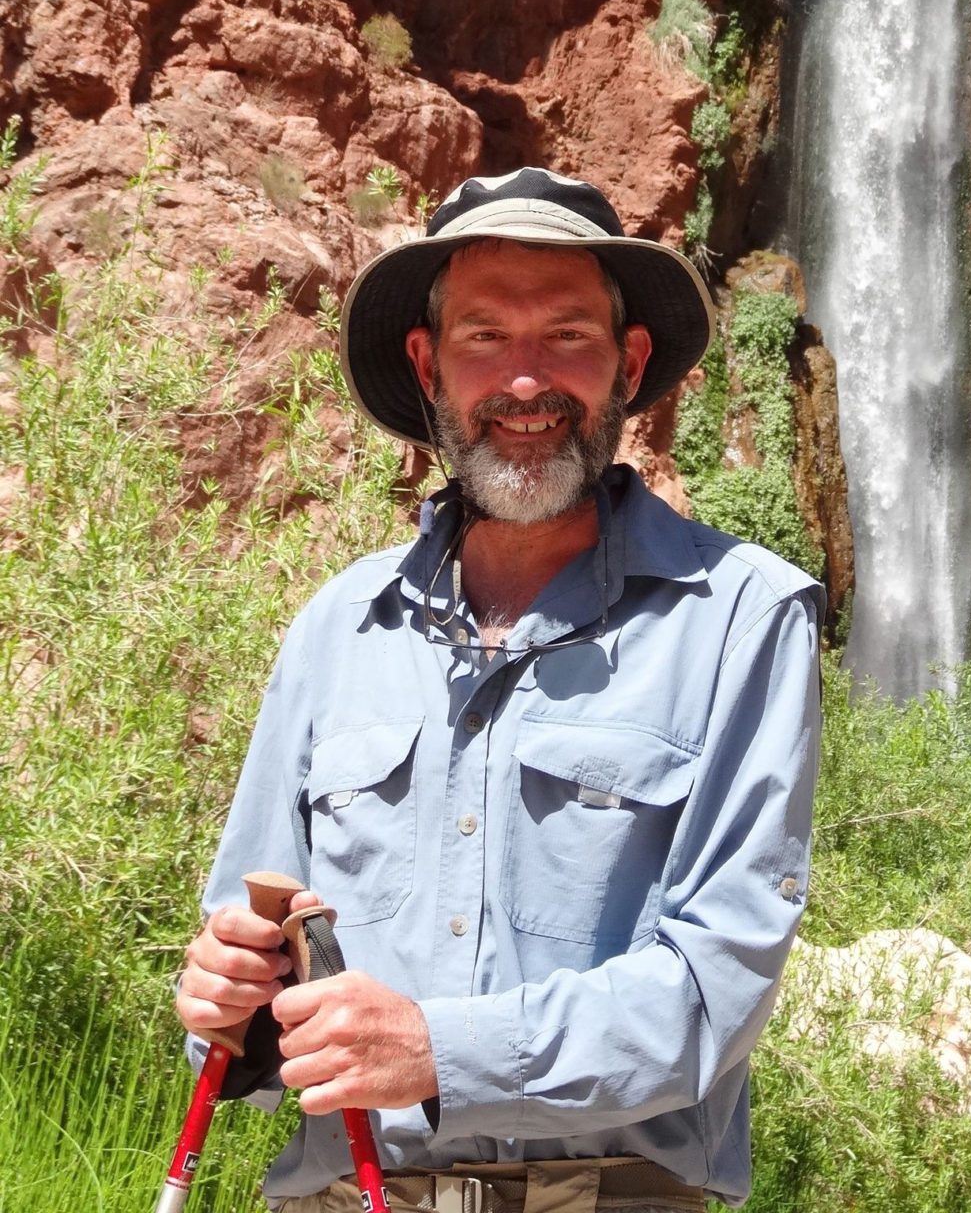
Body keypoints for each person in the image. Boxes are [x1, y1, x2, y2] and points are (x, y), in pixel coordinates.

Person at [175, 168, 824, 1213]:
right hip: (339, 1192)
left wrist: (439, 1050)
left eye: (567, 334)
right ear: (429, 364)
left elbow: (714, 990)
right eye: (484, 337)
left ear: (631, 361)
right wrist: (226, 1002)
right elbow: (252, 973)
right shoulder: (336, 629)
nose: (526, 381)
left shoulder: (742, 619)